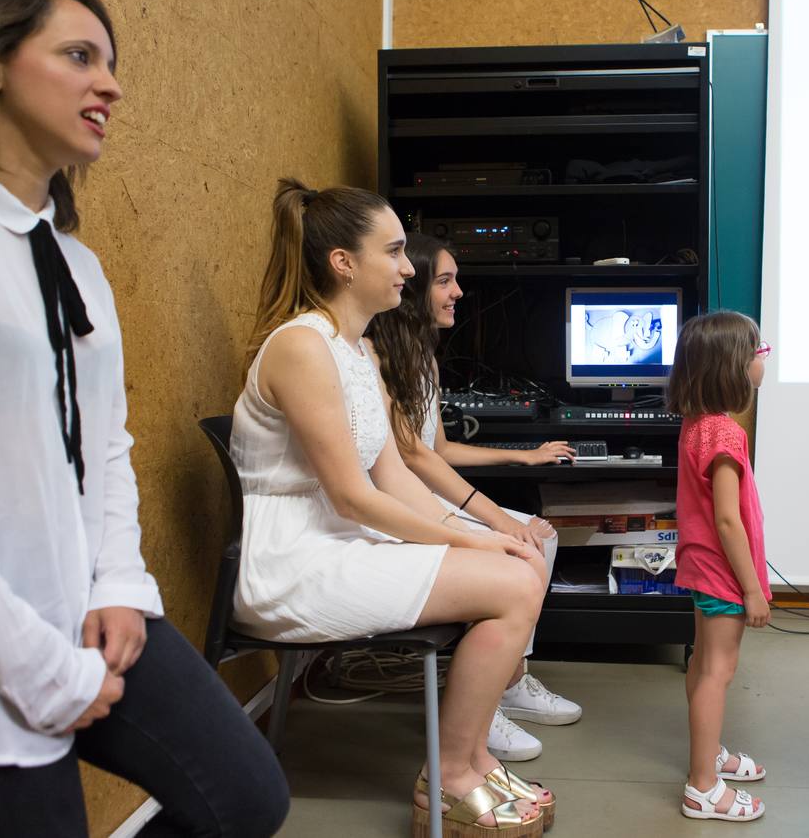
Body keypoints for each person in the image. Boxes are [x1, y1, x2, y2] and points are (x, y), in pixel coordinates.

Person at [0, 0, 288, 837]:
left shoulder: (78, 267)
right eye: (79, 56)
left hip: (85, 612)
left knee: (247, 797)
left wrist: (116, 581)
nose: (110, 84)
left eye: (110, 63)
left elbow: (103, 446)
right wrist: (42, 671)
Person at [231, 181, 554, 834]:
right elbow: (355, 495)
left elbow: (396, 478)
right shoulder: (300, 346)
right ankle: (451, 779)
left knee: (521, 559)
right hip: (290, 560)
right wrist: (471, 543)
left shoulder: (360, 349)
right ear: (344, 263)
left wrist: (484, 530)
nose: (409, 268)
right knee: (513, 580)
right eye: (396, 251)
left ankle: (471, 759)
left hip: (339, 539)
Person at [366, 232, 582, 763]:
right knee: (523, 540)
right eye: (444, 280)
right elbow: (415, 460)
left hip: (427, 495)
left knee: (541, 537)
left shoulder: (423, 359)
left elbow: (438, 448)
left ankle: (508, 682)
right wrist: (497, 524)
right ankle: (484, 706)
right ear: (414, 289)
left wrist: (524, 456)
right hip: (401, 509)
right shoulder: (377, 362)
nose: (458, 291)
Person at [666, 310, 772, 824]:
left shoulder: (698, 424)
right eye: (759, 352)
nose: (763, 361)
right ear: (735, 366)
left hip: (700, 565)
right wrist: (752, 589)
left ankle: (708, 756)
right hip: (724, 574)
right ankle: (703, 786)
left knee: (703, 663)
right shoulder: (725, 436)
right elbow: (728, 521)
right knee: (718, 671)